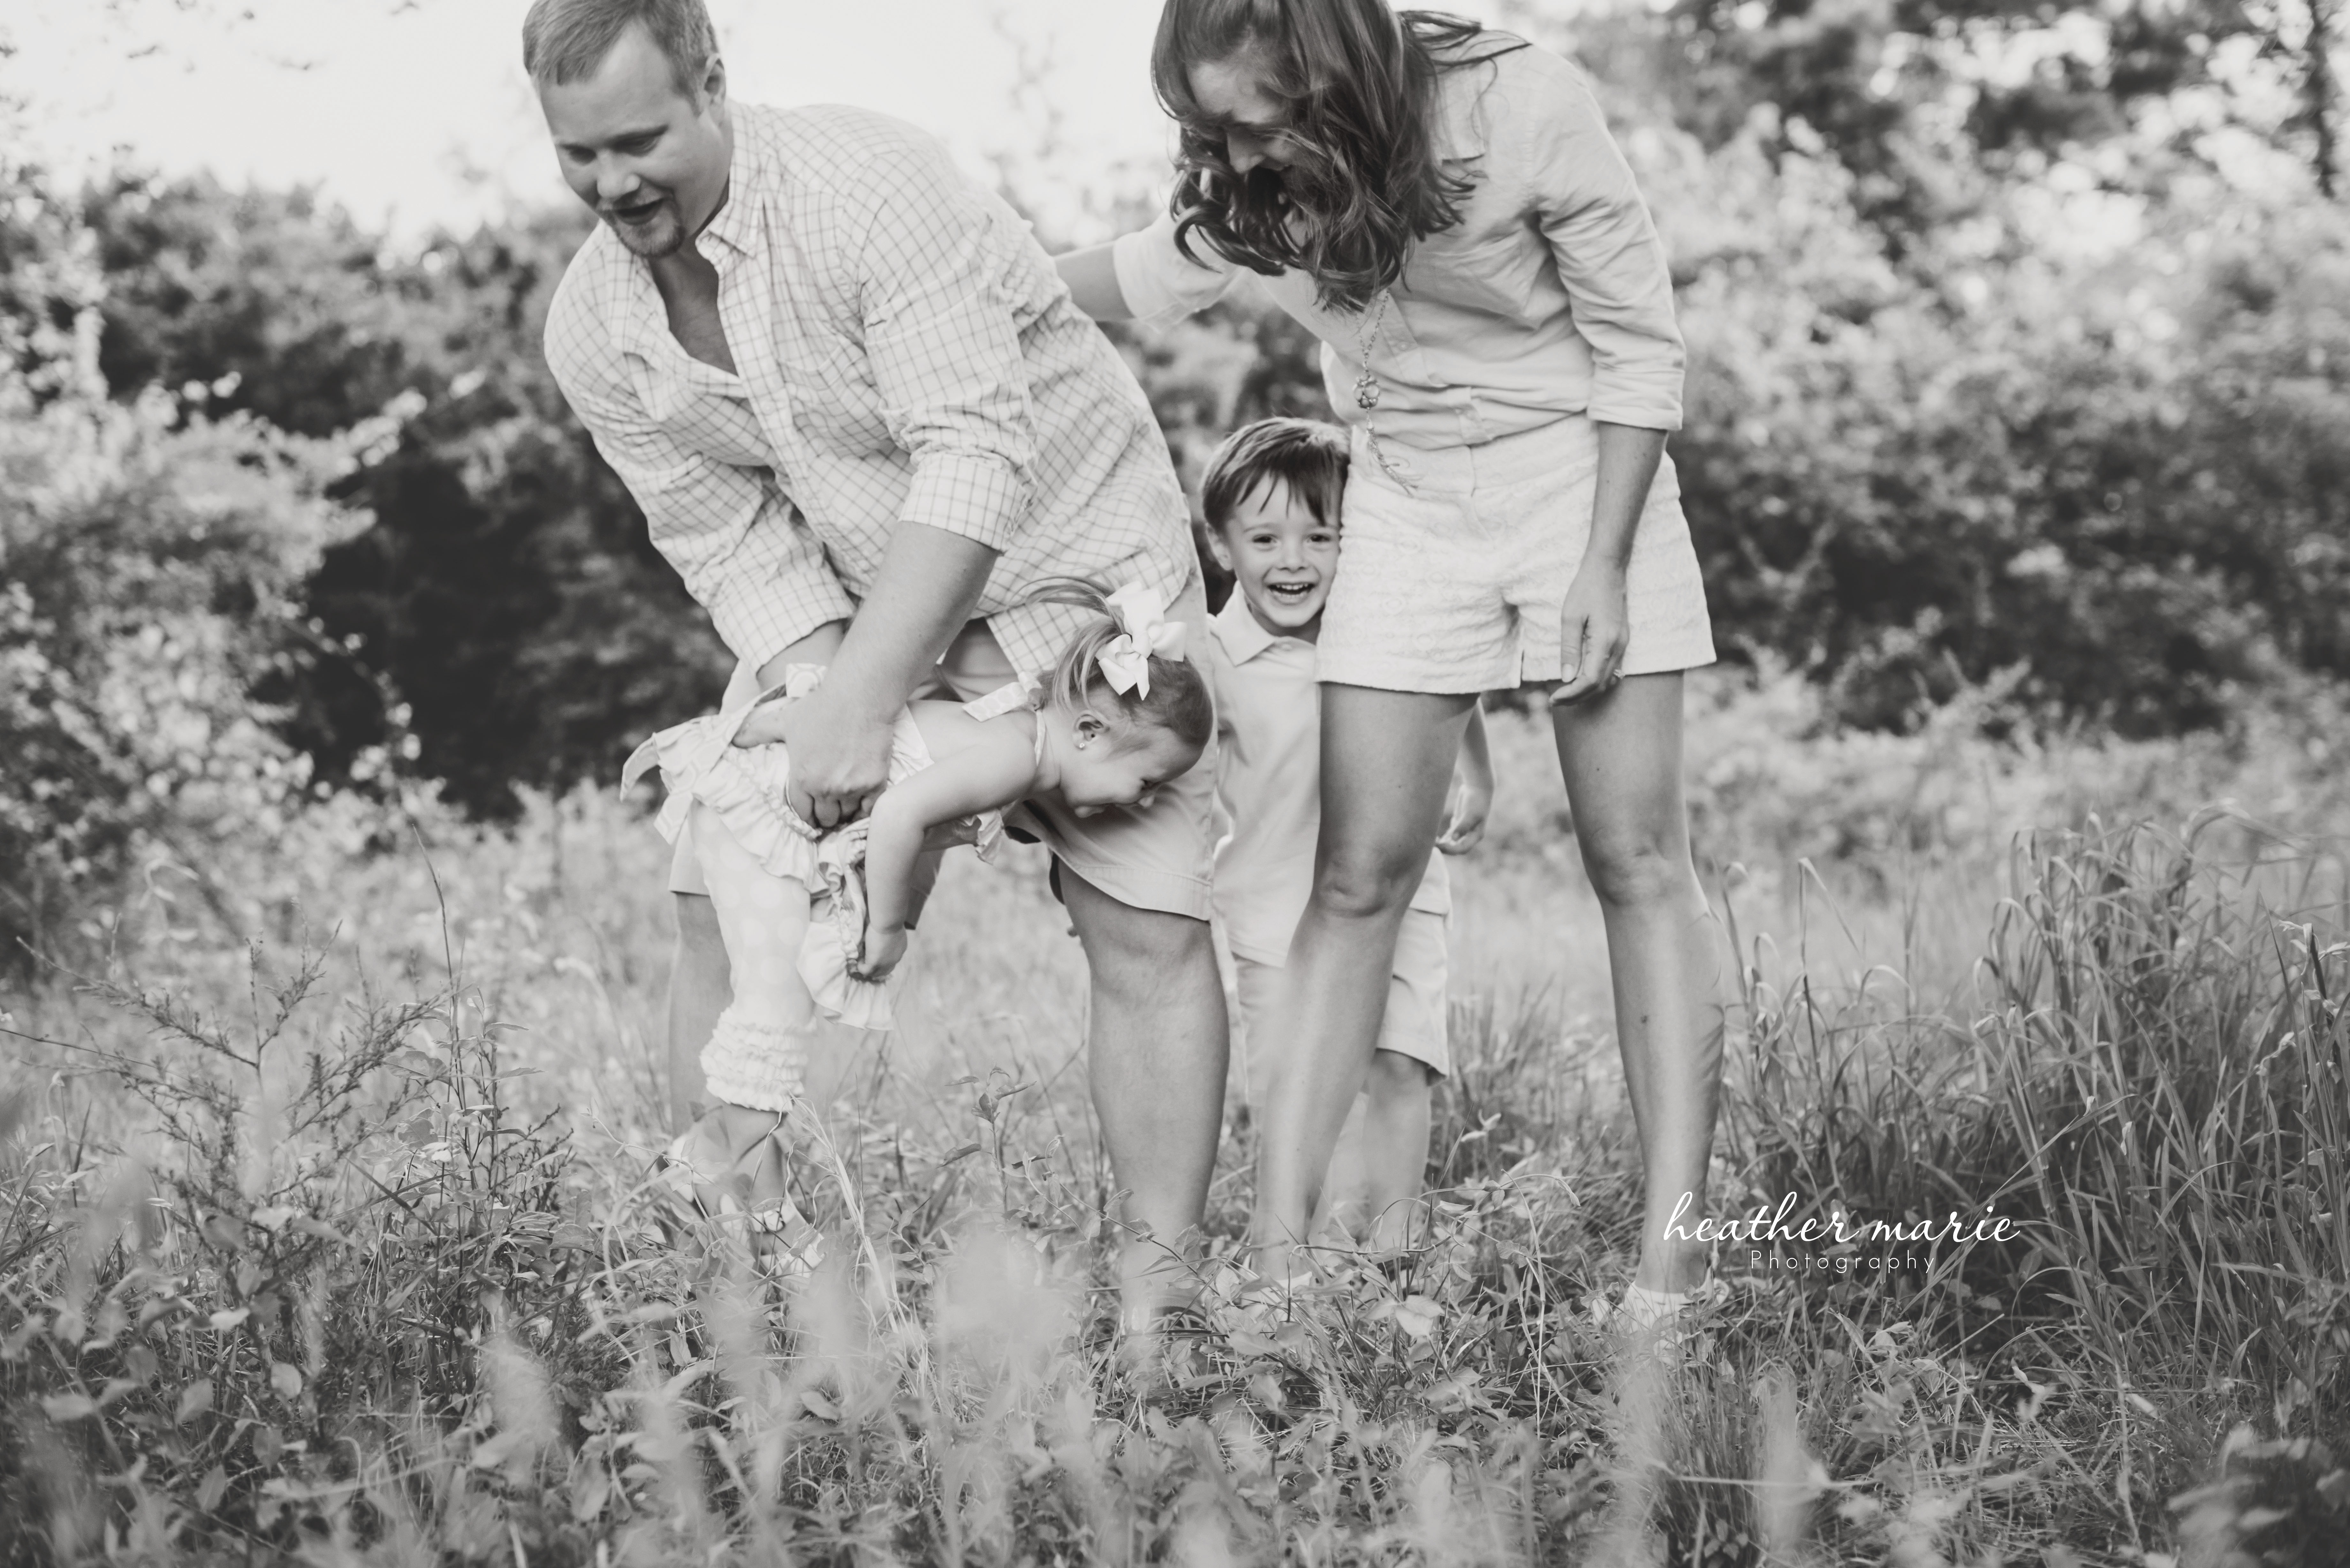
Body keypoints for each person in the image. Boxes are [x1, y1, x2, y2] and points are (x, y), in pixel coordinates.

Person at [525, 0, 1229, 1336]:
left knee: (1145, 924)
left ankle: (1159, 1299)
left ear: (712, 84)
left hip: (1080, 584)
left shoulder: (870, 188)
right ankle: (741, 1264)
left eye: (639, 141)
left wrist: (863, 704)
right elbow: (726, 538)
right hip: (863, 609)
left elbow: (974, 454)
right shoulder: (594, 330)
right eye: (579, 155)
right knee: (715, 875)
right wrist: (824, 704)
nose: (611, 185)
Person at [1058, 0, 1727, 1338]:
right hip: (1407, 494)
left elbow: (1640, 349)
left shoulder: (1520, 103)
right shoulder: (1256, 185)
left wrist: (1601, 564)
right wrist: (962, 288)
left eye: (1254, 121)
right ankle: (1279, 1259)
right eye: (1208, 129)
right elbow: (1135, 275)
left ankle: (1673, 1268)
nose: (1233, 155)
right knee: (1358, 873)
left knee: (1637, 858)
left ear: (1330, 72)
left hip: (1581, 474)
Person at [624, 583, 1210, 1258]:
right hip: (758, 813)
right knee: (772, 1008)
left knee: (782, 1001)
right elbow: (901, 813)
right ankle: (723, 1174)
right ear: (1087, 732)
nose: (1145, 804)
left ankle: (729, 1171)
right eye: (1147, 782)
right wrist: (886, 926)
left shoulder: (1015, 730)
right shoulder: (1013, 757)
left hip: (779, 807)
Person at [1196, 418, 1491, 1257]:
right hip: (1274, 914)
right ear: (1222, 547)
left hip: (1401, 890)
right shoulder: (1214, 657)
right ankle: (1300, 1253)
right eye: (1265, 538)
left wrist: (1478, 772)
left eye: (1320, 536)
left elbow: (1449, 683)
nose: (1293, 560)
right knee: (1293, 1084)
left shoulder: (1379, 630)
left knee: (1401, 1064)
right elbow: (1176, 778)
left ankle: (1396, 1249)